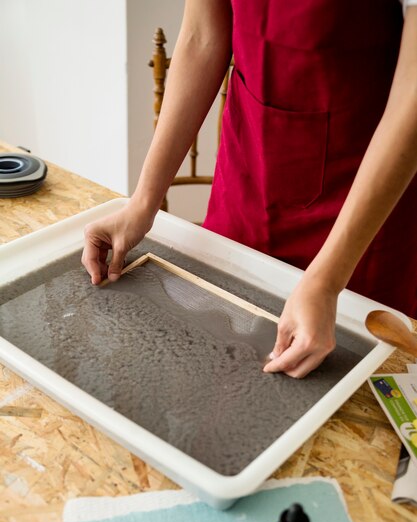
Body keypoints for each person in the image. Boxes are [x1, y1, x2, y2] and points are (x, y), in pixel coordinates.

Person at [82, 0, 417, 378]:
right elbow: (202, 37)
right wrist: (142, 204)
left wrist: (326, 282)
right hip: (247, 178)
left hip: (362, 198)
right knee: (218, 373)